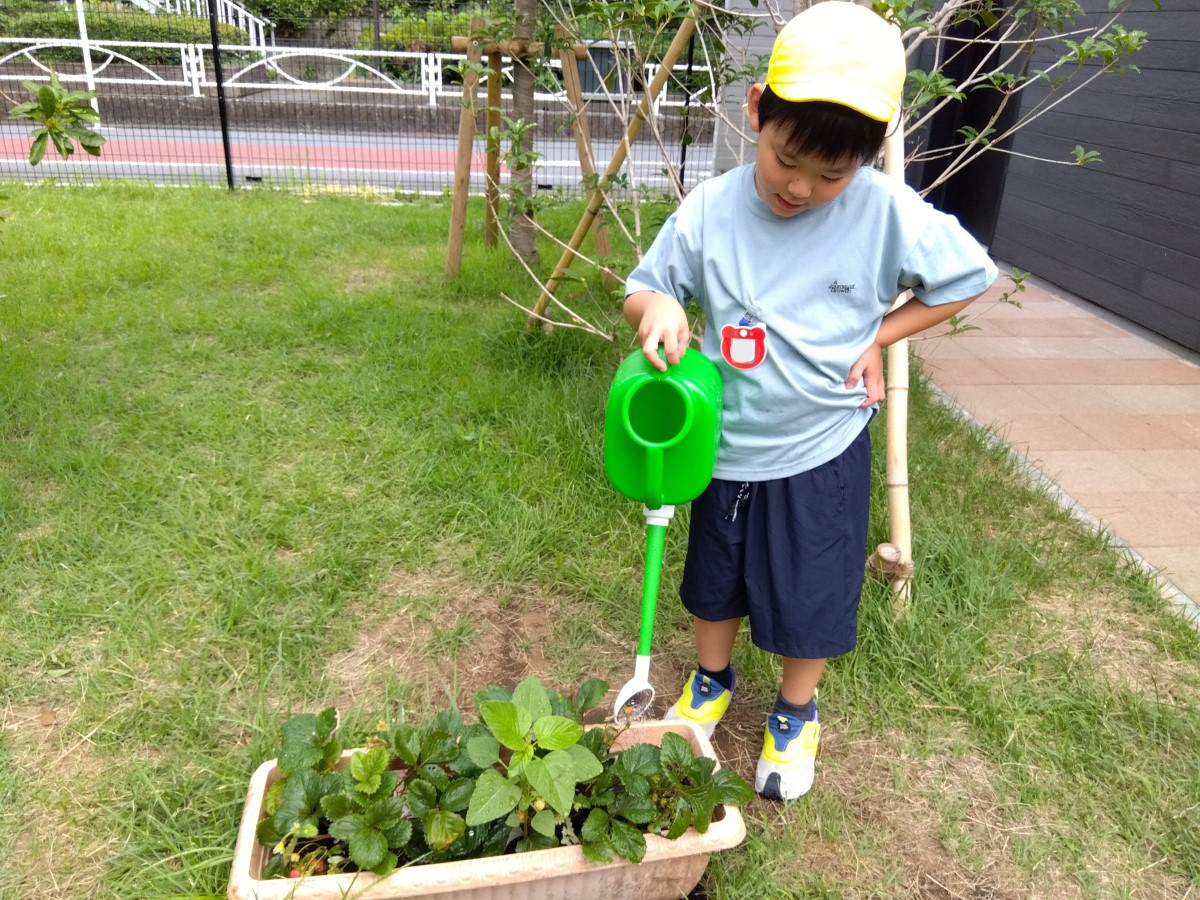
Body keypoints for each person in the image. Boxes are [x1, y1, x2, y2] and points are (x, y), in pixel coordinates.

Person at [623, 0, 998, 801]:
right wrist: (658, 309)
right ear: (757, 111)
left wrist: (881, 337)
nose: (802, 186)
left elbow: (970, 275)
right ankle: (712, 681)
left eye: (832, 175)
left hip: (822, 443)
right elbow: (649, 286)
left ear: (867, 157)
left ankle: (796, 711)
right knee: (713, 580)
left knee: (810, 589)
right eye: (787, 157)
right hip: (723, 445)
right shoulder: (710, 212)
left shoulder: (885, 212)